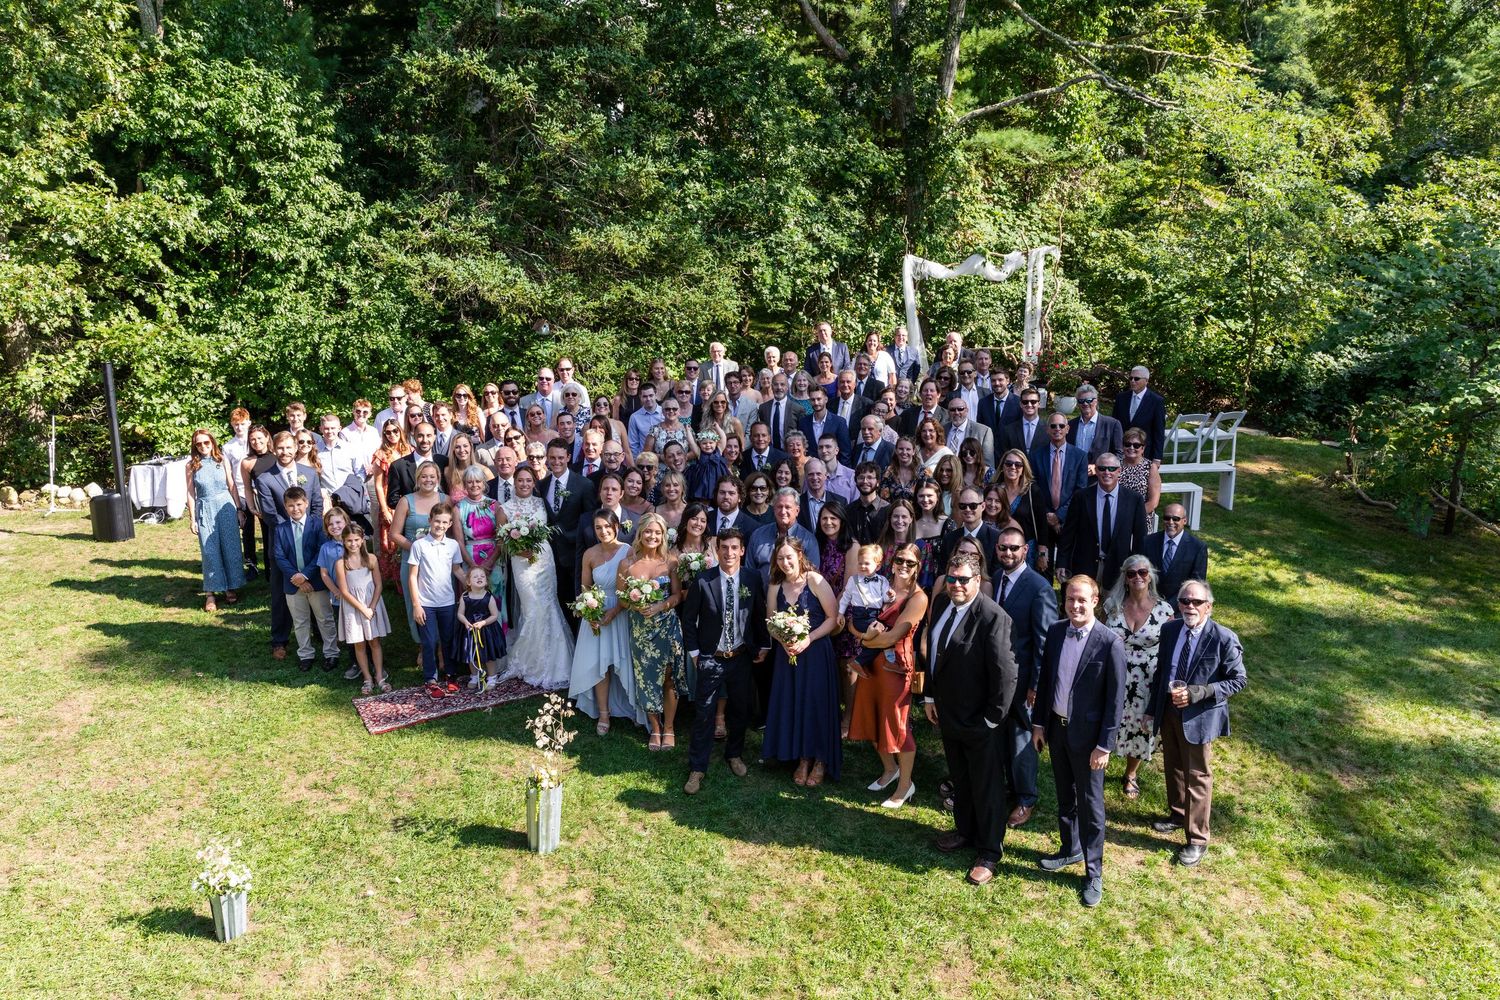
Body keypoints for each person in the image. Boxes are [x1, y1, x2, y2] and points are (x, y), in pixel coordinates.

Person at [923, 552, 1019, 886]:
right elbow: (936, 655)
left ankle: (990, 851)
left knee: (987, 787)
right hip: (948, 714)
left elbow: (1006, 675)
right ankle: (965, 831)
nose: (956, 585)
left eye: (963, 579)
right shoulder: (940, 604)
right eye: (952, 578)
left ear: (977, 580)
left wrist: (992, 720)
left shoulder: (993, 617)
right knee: (961, 779)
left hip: (981, 722)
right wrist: (930, 696)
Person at [1032, 575, 1127, 908]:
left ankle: (1093, 872)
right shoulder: (1057, 631)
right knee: (1065, 796)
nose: (1075, 605)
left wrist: (1105, 746)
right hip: (1057, 731)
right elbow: (1046, 681)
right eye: (1071, 599)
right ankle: (1069, 848)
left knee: (1091, 807)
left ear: (1095, 601)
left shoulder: (1110, 643)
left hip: (1089, 741)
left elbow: (1115, 701)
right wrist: (1039, 724)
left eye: (1082, 600)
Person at [1146, 580, 1247, 867]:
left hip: (1199, 716)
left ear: (1209, 606)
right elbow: (1161, 672)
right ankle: (1178, 814)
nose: (1190, 606)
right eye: (1185, 601)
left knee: (1197, 776)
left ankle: (1197, 839)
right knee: (1173, 766)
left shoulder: (1223, 638)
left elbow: (1238, 680)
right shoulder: (1170, 630)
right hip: (1169, 711)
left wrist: (1197, 693)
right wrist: (1152, 710)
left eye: (1197, 602)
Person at [681, 529, 771, 794]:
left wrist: (764, 644)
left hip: (741, 656)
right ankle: (697, 767)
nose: (729, 553)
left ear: (742, 550)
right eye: (724, 547)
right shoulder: (703, 580)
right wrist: (695, 654)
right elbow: (689, 620)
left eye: (734, 548)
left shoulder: (752, 578)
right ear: (717, 550)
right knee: (704, 713)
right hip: (711, 657)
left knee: (740, 710)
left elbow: (759, 613)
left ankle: (734, 754)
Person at [845, 541, 927, 808]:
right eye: (899, 560)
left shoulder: (918, 598)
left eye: (910, 562)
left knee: (898, 725)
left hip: (896, 667)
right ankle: (890, 769)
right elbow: (854, 619)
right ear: (892, 562)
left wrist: (862, 639)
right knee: (871, 716)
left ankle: (905, 785)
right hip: (871, 665)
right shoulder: (880, 586)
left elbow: (892, 637)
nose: (903, 566)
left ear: (918, 566)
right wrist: (858, 631)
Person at [762, 537, 842, 787]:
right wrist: (783, 640)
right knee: (794, 702)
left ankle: (820, 760)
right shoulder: (775, 585)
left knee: (815, 704)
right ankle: (802, 758)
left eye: (789, 557)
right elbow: (770, 622)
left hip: (816, 652)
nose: (785, 562)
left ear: (799, 555)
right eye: (780, 558)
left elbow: (832, 618)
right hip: (787, 655)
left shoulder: (815, 580)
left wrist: (808, 638)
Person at [993, 526, 1057, 828]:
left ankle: (1026, 798)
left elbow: (1045, 642)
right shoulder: (995, 579)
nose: (1008, 553)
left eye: (1013, 548)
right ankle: (1009, 785)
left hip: (1024, 678)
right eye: (1003, 548)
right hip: (997, 676)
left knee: (1022, 739)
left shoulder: (1039, 587)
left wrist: (1036, 685)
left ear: (1025, 550)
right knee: (1002, 735)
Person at [497, 464, 576, 690]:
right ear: (514, 483)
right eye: (520, 480)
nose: (524, 484)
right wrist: (518, 549)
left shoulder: (542, 503)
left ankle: (555, 662)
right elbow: (501, 541)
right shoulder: (504, 509)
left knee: (549, 605)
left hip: (543, 560)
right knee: (532, 609)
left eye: (528, 480)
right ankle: (530, 661)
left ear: (534, 483)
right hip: (521, 562)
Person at [1103, 554, 1176, 800]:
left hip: (1147, 679)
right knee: (1107, 719)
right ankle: (1098, 763)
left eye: (1143, 572)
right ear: (1125, 578)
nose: (1138, 577)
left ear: (1150, 576)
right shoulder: (1111, 606)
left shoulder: (1164, 610)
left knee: (1140, 726)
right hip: (1114, 674)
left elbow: (1171, 649)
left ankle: (1131, 773)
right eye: (1132, 573)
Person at [571, 509, 647, 734]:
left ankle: (631, 707)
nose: (603, 531)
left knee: (624, 662)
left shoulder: (629, 551)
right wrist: (589, 612)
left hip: (621, 611)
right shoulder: (589, 554)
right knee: (599, 664)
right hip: (596, 612)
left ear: (616, 527)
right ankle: (604, 713)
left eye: (607, 526)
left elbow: (633, 588)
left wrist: (614, 611)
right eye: (598, 527)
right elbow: (585, 587)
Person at [622, 513, 692, 750]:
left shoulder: (670, 561)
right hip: (641, 629)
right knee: (646, 678)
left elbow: (677, 595)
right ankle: (655, 727)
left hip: (667, 626)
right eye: (648, 531)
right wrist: (636, 605)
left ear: (663, 535)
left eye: (658, 532)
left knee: (669, 676)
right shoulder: (627, 564)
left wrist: (661, 606)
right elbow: (622, 598)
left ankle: (669, 727)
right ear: (640, 533)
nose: (653, 536)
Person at [254, 431, 323, 660]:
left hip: (310, 541)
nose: (285, 452)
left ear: (296, 448)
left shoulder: (309, 473)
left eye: (288, 447)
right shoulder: (265, 478)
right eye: (280, 448)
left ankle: (321, 634)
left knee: (315, 587)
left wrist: (309, 530)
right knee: (281, 592)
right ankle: (280, 640)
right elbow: (269, 514)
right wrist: (291, 532)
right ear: (274, 449)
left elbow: (317, 506)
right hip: (282, 544)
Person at [1058, 453, 1148, 591]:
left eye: (1111, 469)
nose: (1107, 472)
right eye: (1102, 468)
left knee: (1115, 605)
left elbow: (1140, 538)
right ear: (1096, 471)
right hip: (1085, 567)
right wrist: (1062, 563)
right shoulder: (1081, 497)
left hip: (1119, 568)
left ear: (1119, 471)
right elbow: (1068, 534)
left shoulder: (1134, 499)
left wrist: (1138, 567)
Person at [274, 486, 340, 673]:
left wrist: (305, 575)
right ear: (285, 507)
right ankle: (305, 654)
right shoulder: (280, 529)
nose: (295, 509)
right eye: (290, 505)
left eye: (298, 504)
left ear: (306, 503)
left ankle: (331, 652)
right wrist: (297, 578)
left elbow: (321, 551)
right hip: (292, 584)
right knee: (300, 621)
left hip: (316, 581)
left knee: (324, 618)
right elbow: (279, 556)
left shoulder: (317, 524)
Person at [538, 438, 598, 628]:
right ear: (547, 458)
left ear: (568, 457)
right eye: (552, 458)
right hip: (550, 555)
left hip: (575, 555)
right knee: (558, 603)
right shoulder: (542, 485)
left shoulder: (584, 485)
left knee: (577, 604)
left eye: (560, 458)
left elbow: (589, 520)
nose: (556, 462)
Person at [408, 501, 465, 696]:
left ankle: (450, 674)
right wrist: (416, 605)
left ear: (450, 524)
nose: (440, 525)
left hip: (447, 602)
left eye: (444, 522)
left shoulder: (452, 545)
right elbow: (412, 576)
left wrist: (471, 584)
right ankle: (430, 679)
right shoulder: (419, 545)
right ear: (430, 520)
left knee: (448, 640)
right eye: (437, 521)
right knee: (429, 642)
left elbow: (456, 570)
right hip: (426, 604)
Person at [185, 429, 245, 612]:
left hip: (225, 507)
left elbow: (232, 485)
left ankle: (230, 586)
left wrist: (239, 509)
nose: (203, 446)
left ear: (212, 442)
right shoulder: (191, 466)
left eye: (206, 442)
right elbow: (190, 493)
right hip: (205, 508)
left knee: (230, 547)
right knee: (209, 551)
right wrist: (193, 518)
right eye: (199, 444)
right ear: (195, 446)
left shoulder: (222, 460)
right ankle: (210, 593)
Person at [391, 461, 449, 651]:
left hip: (439, 563)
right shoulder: (406, 501)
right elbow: (394, 534)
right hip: (413, 562)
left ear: (438, 479)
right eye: (424, 476)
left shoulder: (446, 500)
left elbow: (453, 532)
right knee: (415, 604)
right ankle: (422, 646)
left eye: (432, 476)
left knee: (441, 602)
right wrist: (418, 549)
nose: (428, 480)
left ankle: (440, 648)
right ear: (417, 479)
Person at [334, 523, 391, 695]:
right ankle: (367, 678)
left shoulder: (371, 559)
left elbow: (378, 585)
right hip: (353, 607)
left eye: (356, 540)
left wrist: (371, 608)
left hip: (371, 604)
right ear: (344, 542)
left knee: (374, 641)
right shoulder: (341, 563)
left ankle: (379, 676)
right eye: (349, 541)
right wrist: (362, 609)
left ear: (362, 540)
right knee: (359, 644)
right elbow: (344, 591)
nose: (353, 544)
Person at [1031, 414, 1088, 575]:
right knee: (1043, 570)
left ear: (1067, 429)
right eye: (1053, 426)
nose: (1057, 429)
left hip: (1069, 520)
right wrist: (1048, 515)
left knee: (1067, 571)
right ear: (1047, 430)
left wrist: (1059, 516)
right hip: (1044, 520)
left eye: (1061, 426)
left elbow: (1080, 490)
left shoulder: (1080, 456)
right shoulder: (1036, 456)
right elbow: (1033, 488)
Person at [369, 419, 410, 586]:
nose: (392, 434)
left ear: (400, 431)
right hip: (389, 501)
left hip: (407, 498)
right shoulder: (381, 455)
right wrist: (385, 509)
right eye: (388, 432)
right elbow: (378, 485)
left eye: (395, 431)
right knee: (390, 541)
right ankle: (392, 581)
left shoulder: (409, 450)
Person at [1143, 504, 1209, 606]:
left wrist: (1170, 607)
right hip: (1148, 604)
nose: (1170, 522)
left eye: (1175, 519)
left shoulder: (1197, 547)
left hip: (1181, 607)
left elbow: (1196, 583)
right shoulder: (1148, 542)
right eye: (1167, 518)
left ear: (1184, 521)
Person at [455, 566, 506, 691]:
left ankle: (492, 677)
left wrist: (483, 622)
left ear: (486, 581)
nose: (479, 578)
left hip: (486, 630)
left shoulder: (488, 597)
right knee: (471, 654)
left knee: (488, 655)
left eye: (482, 576)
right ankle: (474, 676)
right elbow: (460, 614)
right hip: (470, 630)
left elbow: (494, 615)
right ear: (468, 582)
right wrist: (465, 622)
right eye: (475, 576)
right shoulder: (465, 597)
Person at [385, 422, 448, 509]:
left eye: (429, 436)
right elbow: (392, 500)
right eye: (420, 436)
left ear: (434, 437)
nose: (425, 440)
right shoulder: (398, 466)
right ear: (414, 436)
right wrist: (415, 508)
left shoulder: (444, 462)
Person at [1114, 365, 1167, 464]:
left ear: (1146, 381)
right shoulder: (1121, 398)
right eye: (1131, 378)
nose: (1132, 381)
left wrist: (1157, 457)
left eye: (1136, 378)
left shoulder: (1156, 401)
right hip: (1122, 452)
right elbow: (1115, 425)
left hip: (1145, 453)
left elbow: (1159, 431)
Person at [1067, 384, 1124, 474]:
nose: (1085, 404)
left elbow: (1119, 455)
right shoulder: (1070, 425)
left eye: (1089, 400)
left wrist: (1099, 467)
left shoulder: (1112, 424)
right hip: (1074, 476)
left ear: (1096, 401)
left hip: (1100, 478)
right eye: (1081, 401)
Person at [1118, 428, 1162, 524]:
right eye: (1127, 444)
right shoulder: (1115, 465)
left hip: (1140, 517)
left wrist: (1131, 517)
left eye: (1136, 445)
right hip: (1116, 516)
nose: (1131, 448)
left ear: (1143, 448)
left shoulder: (1150, 467)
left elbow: (1153, 502)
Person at [847, 462, 889, 544]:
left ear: (878, 482)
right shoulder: (848, 510)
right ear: (856, 481)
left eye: (870, 477)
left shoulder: (887, 510)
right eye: (861, 477)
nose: (865, 481)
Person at [757, 372, 797, 451]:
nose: (779, 387)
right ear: (772, 387)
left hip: (789, 453)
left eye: (782, 384)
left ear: (787, 387)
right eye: (776, 384)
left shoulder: (797, 409)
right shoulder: (763, 408)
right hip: (769, 452)